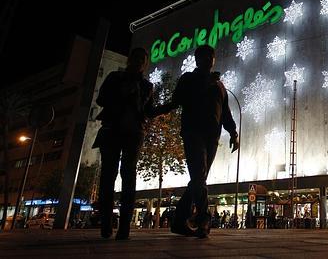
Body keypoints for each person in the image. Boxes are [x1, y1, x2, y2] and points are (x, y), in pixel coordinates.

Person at [157, 45, 239, 238]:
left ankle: (179, 221)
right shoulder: (188, 79)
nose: (209, 59)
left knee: (198, 179)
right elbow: (175, 101)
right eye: (204, 56)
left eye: (211, 55)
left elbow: (225, 112)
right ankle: (204, 219)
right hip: (193, 133)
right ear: (197, 59)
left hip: (212, 137)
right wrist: (154, 111)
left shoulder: (219, 85)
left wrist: (234, 133)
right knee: (199, 177)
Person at [93, 47, 158, 240]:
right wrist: (122, 94)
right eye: (136, 57)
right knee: (108, 176)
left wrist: (171, 105)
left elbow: (149, 111)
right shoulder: (115, 77)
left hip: (134, 133)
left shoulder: (147, 86)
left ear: (145, 63)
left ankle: (124, 228)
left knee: (129, 176)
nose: (139, 61)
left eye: (143, 59)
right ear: (130, 60)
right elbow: (101, 98)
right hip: (112, 130)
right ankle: (106, 224)